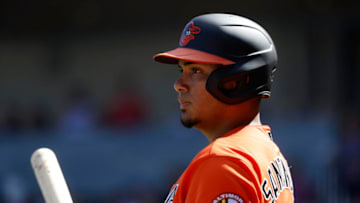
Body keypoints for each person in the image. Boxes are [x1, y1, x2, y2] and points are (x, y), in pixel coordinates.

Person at [153, 13, 294, 203]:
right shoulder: (265, 150)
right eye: (181, 71)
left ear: (236, 81)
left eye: (195, 71)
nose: (179, 84)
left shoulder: (223, 161)